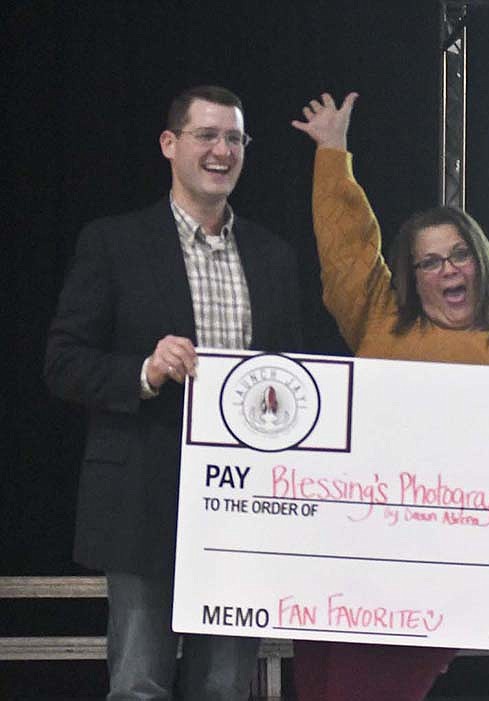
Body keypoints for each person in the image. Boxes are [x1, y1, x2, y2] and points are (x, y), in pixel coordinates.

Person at [45, 85, 303, 700]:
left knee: (224, 689)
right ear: (170, 144)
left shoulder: (274, 256)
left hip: (244, 510)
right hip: (140, 500)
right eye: (206, 135)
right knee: (139, 685)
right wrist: (144, 369)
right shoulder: (113, 242)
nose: (222, 150)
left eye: (234, 138)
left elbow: (294, 378)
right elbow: (62, 363)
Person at [290, 92, 489, 700]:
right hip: (342, 561)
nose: (448, 271)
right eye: (429, 263)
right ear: (411, 276)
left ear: (480, 263)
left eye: (459, 255)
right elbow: (349, 254)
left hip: (428, 580)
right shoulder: (381, 322)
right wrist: (332, 153)